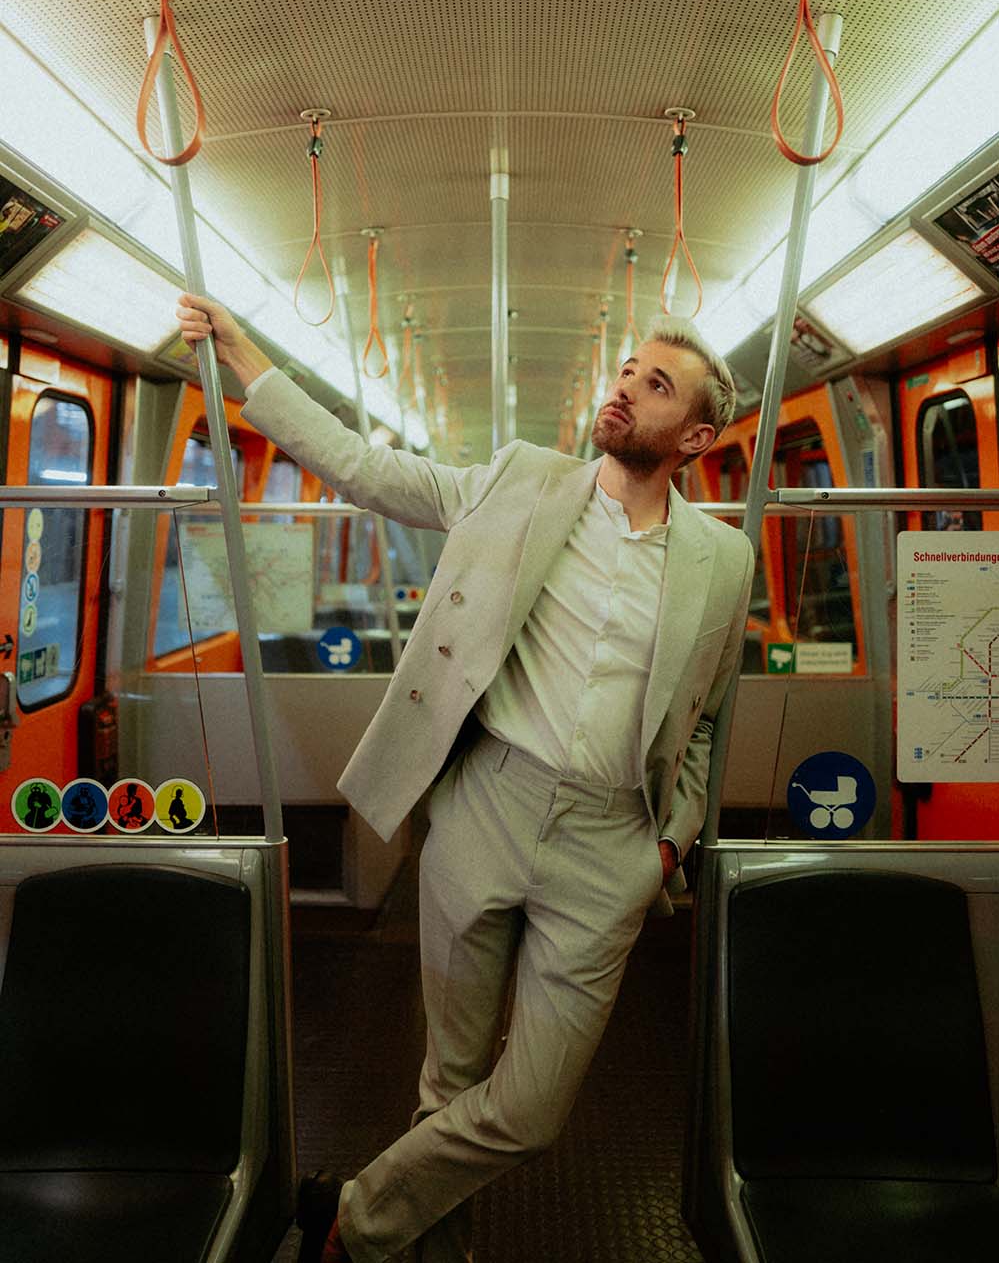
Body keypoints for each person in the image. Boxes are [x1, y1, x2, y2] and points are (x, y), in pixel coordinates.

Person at [176, 293, 754, 1263]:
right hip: (489, 800)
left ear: (696, 436)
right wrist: (244, 357)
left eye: (655, 386)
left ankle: (354, 1218)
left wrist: (669, 844)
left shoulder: (724, 561)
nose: (624, 392)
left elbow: (707, 714)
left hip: (613, 845)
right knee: (447, 1084)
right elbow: (364, 469)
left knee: (529, 1110)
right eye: (625, 372)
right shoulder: (520, 483)